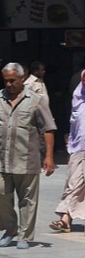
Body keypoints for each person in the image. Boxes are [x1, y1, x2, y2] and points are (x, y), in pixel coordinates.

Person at [0, 62, 57, 250]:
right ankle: (10, 228)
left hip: (27, 158)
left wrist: (49, 157)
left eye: (13, 80)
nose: (9, 84)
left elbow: (48, 129)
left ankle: (25, 235)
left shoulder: (36, 100)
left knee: (28, 200)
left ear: (22, 79)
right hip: (0, 158)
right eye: (6, 81)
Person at [50, 69, 85, 233]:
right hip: (79, 147)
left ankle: (65, 219)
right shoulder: (78, 101)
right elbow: (75, 125)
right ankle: (65, 219)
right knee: (74, 182)